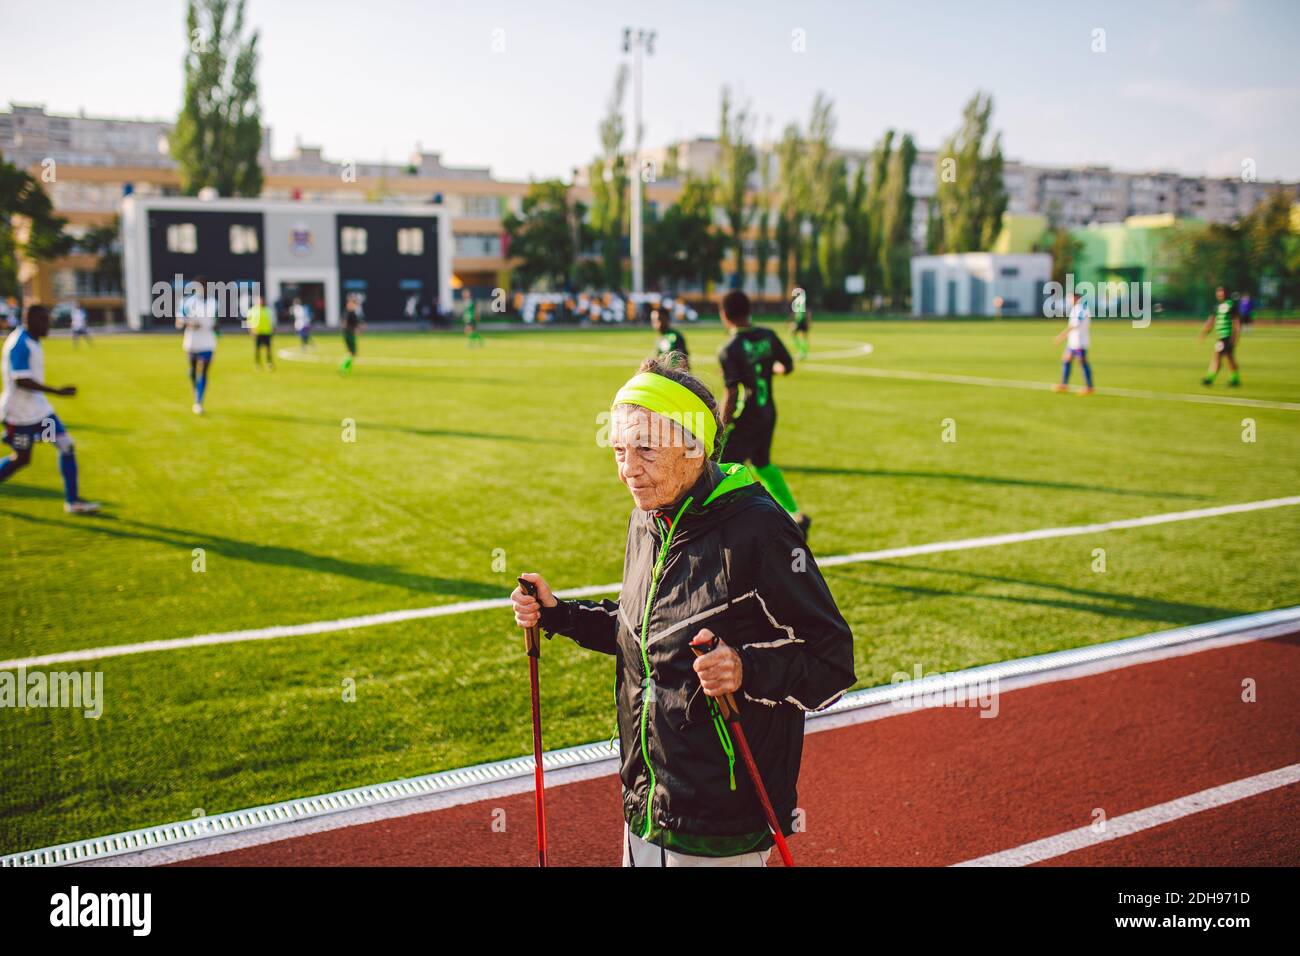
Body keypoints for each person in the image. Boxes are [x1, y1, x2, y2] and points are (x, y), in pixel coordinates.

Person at [511, 357, 855, 867]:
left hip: (722, 819)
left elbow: (832, 662)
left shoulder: (760, 531)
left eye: (645, 449)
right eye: (619, 451)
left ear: (694, 447)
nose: (628, 469)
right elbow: (646, 632)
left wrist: (745, 668)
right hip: (648, 803)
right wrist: (560, 615)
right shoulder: (648, 517)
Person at [716, 289, 809, 537]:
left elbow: (732, 393)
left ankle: (740, 529)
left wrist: (720, 426)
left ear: (724, 315)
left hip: (748, 418)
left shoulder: (729, 349)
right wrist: (767, 370)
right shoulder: (767, 335)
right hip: (768, 411)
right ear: (749, 311)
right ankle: (795, 514)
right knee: (762, 464)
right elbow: (786, 365)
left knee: (722, 468)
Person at [0, 304, 100, 513]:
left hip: (39, 411)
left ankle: (73, 502)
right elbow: (22, 380)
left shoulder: (31, 339)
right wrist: (57, 391)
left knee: (66, 445)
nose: (49, 325)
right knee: (21, 459)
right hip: (18, 415)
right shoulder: (19, 344)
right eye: (44, 321)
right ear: (30, 320)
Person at [177, 275, 217, 414]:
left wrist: (214, 326)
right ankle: (196, 391)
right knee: (193, 371)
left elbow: (216, 321)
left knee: (204, 370)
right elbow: (179, 322)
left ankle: (198, 401)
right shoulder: (187, 302)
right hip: (193, 341)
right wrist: (191, 324)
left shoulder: (213, 302)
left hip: (208, 342)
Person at [1052, 291, 1094, 394]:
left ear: (1076, 297)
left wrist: (1061, 336)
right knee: (1066, 359)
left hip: (1080, 341)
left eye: (1070, 297)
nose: (1069, 300)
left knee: (1082, 362)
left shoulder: (1081, 309)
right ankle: (1063, 385)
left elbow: (1074, 325)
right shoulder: (1078, 308)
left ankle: (1089, 387)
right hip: (1074, 341)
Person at [1200, 286, 1241, 387]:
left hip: (1226, 336)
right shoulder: (1217, 306)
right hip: (1221, 336)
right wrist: (1205, 332)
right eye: (1218, 292)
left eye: (1222, 292)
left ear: (1226, 293)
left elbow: (1236, 321)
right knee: (1229, 357)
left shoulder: (1230, 305)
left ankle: (1209, 378)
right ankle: (1235, 379)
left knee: (1217, 356)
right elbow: (1211, 321)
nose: (1219, 294)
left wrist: (1235, 336)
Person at [247, 293, 275, 370]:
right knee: (257, 349)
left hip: (266, 332)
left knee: (268, 349)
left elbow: (271, 321)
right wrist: (251, 331)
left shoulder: (267, 310)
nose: (260, 302)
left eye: (261, 300)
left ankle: (269, 363)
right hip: (257, 333)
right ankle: (258, 364)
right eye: (259, 301)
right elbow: (249, 322)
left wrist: (272, 330)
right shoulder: (252, 310)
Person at [340, 293, 365, 373]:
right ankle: (344, 367)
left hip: (348, 333)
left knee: (351, 353)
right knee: (352, 353)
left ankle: (344, 367)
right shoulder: (350, 312)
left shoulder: (348, 312)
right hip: (349, 334)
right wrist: (358, 328)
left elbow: (348, 323)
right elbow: (348, 323)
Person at [789, 288, 810, 361]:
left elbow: (798, 313)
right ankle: (803, 353)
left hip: (800, 321)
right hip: (802, 321)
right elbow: (807, 312)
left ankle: (801, 352)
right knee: (803, 336)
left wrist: (794, 322)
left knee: (794, 334)